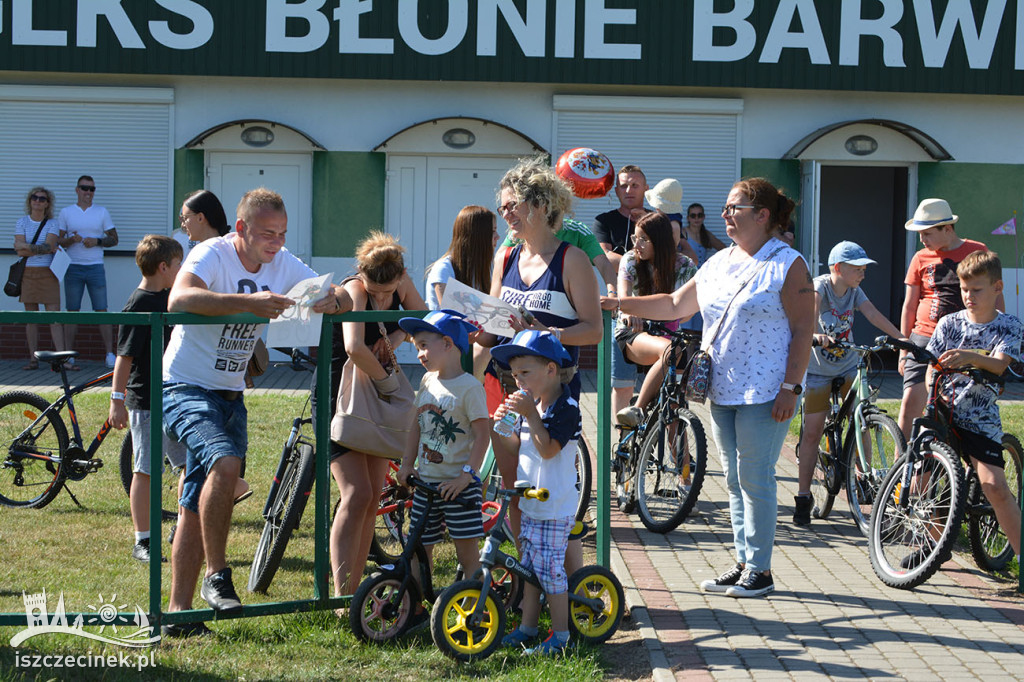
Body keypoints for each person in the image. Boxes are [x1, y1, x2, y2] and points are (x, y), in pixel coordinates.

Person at [601, 177, 813, 598]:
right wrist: (621, 304)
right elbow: (676, 304)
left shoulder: (787, 263)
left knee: (756, 477)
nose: (724, 215)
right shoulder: (719, 261)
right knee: (734, 479)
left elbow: (805, 327)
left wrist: (792, 387)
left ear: (762, 215)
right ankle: (742, 563)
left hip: (766, 389)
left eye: (734, 208)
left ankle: (761, 570)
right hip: (723, 386)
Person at [161, 188, 347, 637]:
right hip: (185, 386)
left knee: (193, 504)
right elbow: (179, 300)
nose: (277, 243)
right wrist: (251, 303)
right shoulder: (212, 252)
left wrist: (332, 301)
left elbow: (340, 294)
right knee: (225, 465)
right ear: (241, 228)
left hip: (230, 394)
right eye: (268, 233)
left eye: (282, 234)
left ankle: (176, 615)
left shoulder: (282, 260)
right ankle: (217, 576)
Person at [480, 156, 602, 545]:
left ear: (541, 205)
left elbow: (594, 330)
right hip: (506, 381)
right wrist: (471, 327)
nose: (506, 215)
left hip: (553, 387)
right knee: (512, 481)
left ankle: (553, 571)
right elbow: (494, 321)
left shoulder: (573, 259)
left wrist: (548, 333)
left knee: (546, 483)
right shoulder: (506, 257)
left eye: (513, 205)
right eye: (502, 208)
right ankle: (518, 567)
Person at [329, 231, 425, 599]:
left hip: (377, 399)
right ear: (361, 276)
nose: (383, 299)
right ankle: (340, 595)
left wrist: (396, 339)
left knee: (372, 497)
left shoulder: (400, 283)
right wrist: (386, 380)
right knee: (355, 493)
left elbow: (421, 317)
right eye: (376, 292)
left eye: (389, 292)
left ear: (400, 277)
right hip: (344, 395)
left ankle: (355, 590)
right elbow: (354, 346)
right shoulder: (354, 289)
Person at [793, 241, 904, 526]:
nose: (863, 272)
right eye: (858, 268)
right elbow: (811, 313)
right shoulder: (820, 287)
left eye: (864, 267)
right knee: (813, 433)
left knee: (861, 419)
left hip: (847, 364)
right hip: (818, 370)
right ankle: (804, 497)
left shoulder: (854, 291)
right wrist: (817, 335)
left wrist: (901, 339)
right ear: (837, 268)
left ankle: (861, 477)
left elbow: (873, 314)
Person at [926, 250, 1021, 563]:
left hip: (980, 420)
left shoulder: (1010, 326)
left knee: (994, 486)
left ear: (997, 288)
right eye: (964, 290)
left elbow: (998, 365)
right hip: (943, 411)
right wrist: (931, 385)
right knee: (924, 479)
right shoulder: (948, 324)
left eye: (976, 290)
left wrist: (970, 357)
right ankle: (934, 550)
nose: (968, 296)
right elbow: (932, 363)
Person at [491, 330, 581, 656]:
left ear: (551, 369)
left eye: (525, 373)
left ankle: (560, 636)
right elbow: (519, 447)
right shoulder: (536, 405)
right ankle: (528, 627)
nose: (519, 381)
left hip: (554, 506)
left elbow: (548, 450)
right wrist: (502, 427)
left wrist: (530, 413)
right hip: (531, 502)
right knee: (528, 570)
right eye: (515, 375)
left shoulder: (565, 408)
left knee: (550, 573)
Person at [396, 310, 489, 619]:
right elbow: (416, 426)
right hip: (426, 483)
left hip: (457, 488)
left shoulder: (470, 387)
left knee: (466, 552)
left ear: (448, 343)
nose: (419, 354)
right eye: (416, 346)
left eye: (423, 345)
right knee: (419, 547)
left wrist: (467, 477)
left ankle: (475, 611)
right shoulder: (426, 380)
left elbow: (482, 435)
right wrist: (407, 463)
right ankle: (416, 606)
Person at [107, 235, 188, 562]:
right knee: (146, 469)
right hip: (147, 401)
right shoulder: (138, 304)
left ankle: (185, 528)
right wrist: (116, 399)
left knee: (187, 464)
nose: (182, 270)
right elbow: (124, 357)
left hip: (175, 396)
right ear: (164, 266)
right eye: (178, 264)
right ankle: (144, 540)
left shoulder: (171, 297)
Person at [898, 198, 998, 438]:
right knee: (911, 402)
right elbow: (909, 305)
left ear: (948, 229)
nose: (922, 239)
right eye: (920, 233)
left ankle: (953, 464)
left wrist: (995, 338)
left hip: (964, 340)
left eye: (927, 233)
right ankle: (901, 466)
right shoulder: (920, 258)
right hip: (923, 337)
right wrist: (903, 350)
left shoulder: (977, 251)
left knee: (958, 409)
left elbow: (993, 295)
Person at [613, 211, 697, 426]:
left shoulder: (684, 265)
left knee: (673, 408)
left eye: (643, 239)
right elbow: (624, 298)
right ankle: (637, 411)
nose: (637, 244)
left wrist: (674, 316)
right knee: (671, 351)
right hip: (633, 330)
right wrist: (632, 313)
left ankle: (683, 460)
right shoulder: (630, 259)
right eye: (635, 238)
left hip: (668, 333)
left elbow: (692, 305)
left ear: (659, 241)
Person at [426, 205, 499, 380]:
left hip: (470, 347)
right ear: (477, 236)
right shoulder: (444, 269)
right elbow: (451, 318)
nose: (498, 237)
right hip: (445, 347)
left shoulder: (483, 270)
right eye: (493, 231)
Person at [57, 175, 118, 367]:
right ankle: (69, 354)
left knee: (102, 310)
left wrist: (97, 241)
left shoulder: (101, 212)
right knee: (72, 311)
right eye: (84, 188)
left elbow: (114, 238)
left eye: (92, 189)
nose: (88, 193)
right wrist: (70, 240)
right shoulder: (66, 212)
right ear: (77, 190)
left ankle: (109, 354)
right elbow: (58, 241)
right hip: (73, 266)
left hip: (95, 267)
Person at [13, 186, 65, 369]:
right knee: (31, 319)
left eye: (42, 199)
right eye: (35, 198)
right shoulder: (21, 222)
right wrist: (39, 248)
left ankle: (62, 359)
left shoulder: (52, 223)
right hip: (28, 273)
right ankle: (33, 359)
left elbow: (49, 246)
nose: (38, 201)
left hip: (48, 272)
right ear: (30, 201)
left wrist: (25, 246)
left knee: (54, 317)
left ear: (47, 203)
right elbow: (19, 249)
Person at [175, 189, 231, 258]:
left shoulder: (205, 252)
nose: (183, 225)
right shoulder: (231, 250)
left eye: (185, 218)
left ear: (200, 218)